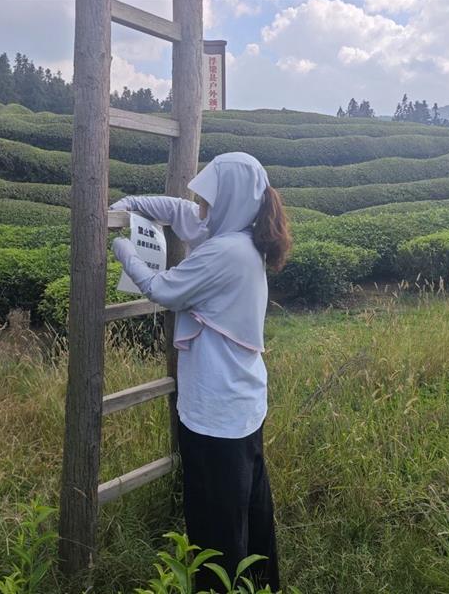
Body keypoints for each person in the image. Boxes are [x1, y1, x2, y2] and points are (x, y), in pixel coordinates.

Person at [109, 152, 292, 593]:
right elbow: (179, 212)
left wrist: (123, 249)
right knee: (250, 513)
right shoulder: (241, 234)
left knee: (216, 531)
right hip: (242, 404)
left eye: (208, 196)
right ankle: (263, 586)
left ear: (227, 199)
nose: (200, 205)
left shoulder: (225, 253)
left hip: (216, 415)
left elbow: (161, 291)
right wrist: (128, 205)